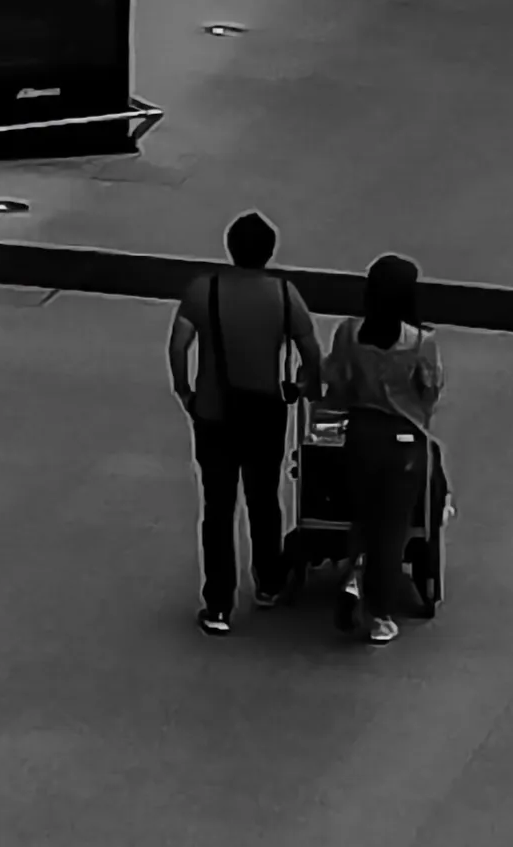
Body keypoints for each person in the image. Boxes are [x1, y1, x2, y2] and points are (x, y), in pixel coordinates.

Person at [166, 210, 306, 633]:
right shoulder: (284, 294)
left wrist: (184, 389)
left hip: (214, 413)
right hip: (265, 414)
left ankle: (219, 605)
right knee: (264, 499)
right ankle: (268, 582)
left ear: (229, 247)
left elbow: (178, 345)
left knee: (218, 507)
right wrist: (303, 386)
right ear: (269, 251)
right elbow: (311, 351)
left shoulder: (202, 290)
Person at [317, 255, 441, 642]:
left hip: (360, 437)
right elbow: (431, 392)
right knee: (391, 530)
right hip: (403, 442)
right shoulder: (421, 341)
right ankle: (379, 613)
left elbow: (335, 382)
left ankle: (353, 572)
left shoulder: (349, 332)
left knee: (363, 515)